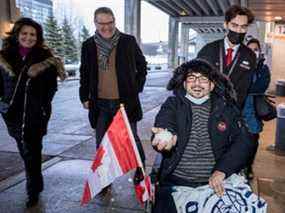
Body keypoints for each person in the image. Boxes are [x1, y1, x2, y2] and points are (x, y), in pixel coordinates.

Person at [151, 59, 257, 213]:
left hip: (215, 182)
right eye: (191, 79)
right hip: (176, 181)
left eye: (203, 80)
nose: (197, 84)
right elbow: (165, 122)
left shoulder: (226, 108)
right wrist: (165, 135)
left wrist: (222, 170)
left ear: (212, 85)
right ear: (184, 84)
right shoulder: (173, 104)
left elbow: (244, 141)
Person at [0, 17, 65, 208]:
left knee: (32, 153)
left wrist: (42, 108)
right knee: (25, 152)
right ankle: (36, 180)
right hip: (12, 116)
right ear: (17, 35)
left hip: (35, 116)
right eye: (25, 34)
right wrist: (3, 105)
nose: (28, 38)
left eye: (33, 34)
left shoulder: (45, 59)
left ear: (38, 37)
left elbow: (51, 89)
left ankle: (33, 191)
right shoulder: (4, 57)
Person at [79, 7, 147, 164]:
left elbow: (142, 64)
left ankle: (141, 172)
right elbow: (85, 73)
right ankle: (103, 179)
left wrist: (136, 87)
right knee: (102, 143)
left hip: (124, 102)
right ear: (95, 23)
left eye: (110, 22)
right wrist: (84, 96)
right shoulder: (88, 45)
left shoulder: (127, 41)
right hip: (100, 103)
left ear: (114, 21)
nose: (106, 27)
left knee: (132, 140)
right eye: (101, 23)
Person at [197, 5, 256, 109]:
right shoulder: (208, 50)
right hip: (205, 109)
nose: (238, 30)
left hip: (232, 112)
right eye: (234, 25)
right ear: (226, 24)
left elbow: (244, 90)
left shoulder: (250, 56)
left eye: (243, 27)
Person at [243, 38, 271, 179]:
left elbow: (261, 86)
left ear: (259, 51)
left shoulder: (263, 68)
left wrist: (243, 89)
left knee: (253, 141)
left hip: (253, 110)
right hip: (238, 110)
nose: (253, 52)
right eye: (250, 49)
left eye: (256, 49)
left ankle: (248, 166)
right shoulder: (240, 66)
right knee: (236, 140)